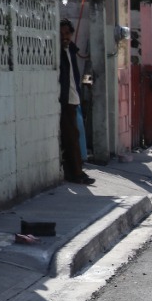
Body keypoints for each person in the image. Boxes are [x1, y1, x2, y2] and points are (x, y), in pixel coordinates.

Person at [59, 19, 94, 185]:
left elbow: (75, 76)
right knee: (71, 137)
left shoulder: (71, 51)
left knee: (74, 136)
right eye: (62, 34)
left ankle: (76, 171)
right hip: (65, 100)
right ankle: (76, 173)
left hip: (74, 99)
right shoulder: (59, 52)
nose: (64, 37)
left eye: (67, 33)